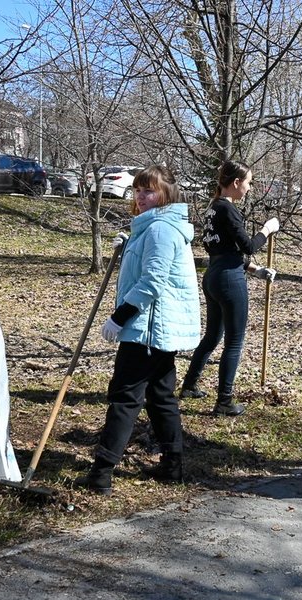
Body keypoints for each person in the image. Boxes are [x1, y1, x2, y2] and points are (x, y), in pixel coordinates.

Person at [80, 165, 201, 495]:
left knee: (125, 398)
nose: (141, 197)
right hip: (154, 330)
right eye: (137, 190)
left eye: (149, 191)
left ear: (166, 194)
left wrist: (120, 317)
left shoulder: (161, 229)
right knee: (160, 398)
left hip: (148, 329)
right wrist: (130, 244)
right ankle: (172, 466)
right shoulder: (153, 228)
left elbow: (151, 283)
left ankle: (101, 473)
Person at [179, 161, 280, 416]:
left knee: (212, 336)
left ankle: (189, 385)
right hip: (229, 281)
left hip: (213, 276)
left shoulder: (213, 208)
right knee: (234, 341)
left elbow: (226, 250)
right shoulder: (227, 209)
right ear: (236, 183)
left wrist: (255, 270)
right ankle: (224, 400)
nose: (249, 188)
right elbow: (248, 246)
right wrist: (267, 230)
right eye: (248, 183)